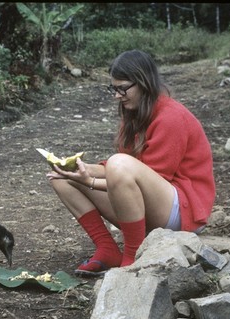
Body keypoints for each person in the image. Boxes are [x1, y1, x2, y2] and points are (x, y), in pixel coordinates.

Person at [46, 50, 216, 276]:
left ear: (144, 83)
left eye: (122, 88)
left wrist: (91, 181)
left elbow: (143, 177)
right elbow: (123, 170)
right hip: (149, 203)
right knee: (62, 179)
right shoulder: (134, 113)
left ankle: (133, 256)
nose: (117, 95)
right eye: (113, 89)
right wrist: (82, 170)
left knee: (118, 164)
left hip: (181, 211)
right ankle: (107, 249)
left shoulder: (171, 117)